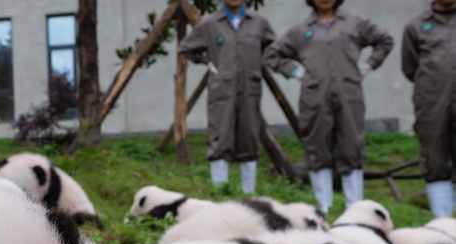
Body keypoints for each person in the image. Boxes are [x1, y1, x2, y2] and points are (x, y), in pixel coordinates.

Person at [265, 0, 394, 213]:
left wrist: (368, 65)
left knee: (351, 147)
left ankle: (355, 208)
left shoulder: (355, 23)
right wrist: (296, 72)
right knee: (318, 148)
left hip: (349, 94)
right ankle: (323, 208)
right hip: (315, 97)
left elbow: (385, 40)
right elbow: (272, 54)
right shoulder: (300, 31)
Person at [180, 0, 276, 194]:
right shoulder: (210, 23)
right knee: (220, 138)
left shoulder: (259, 23)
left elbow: (274, 47)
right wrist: (208, 61)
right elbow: (186, 48)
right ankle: (220, 195)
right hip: (221, 90)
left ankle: (248, 196)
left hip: (250, 88)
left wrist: (259, 63)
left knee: (249, 137)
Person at [402, 0, 456, 218]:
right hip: (432, 103)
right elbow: (410, 67)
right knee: (435, 158)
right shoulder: (415, 26)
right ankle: (443, 222)